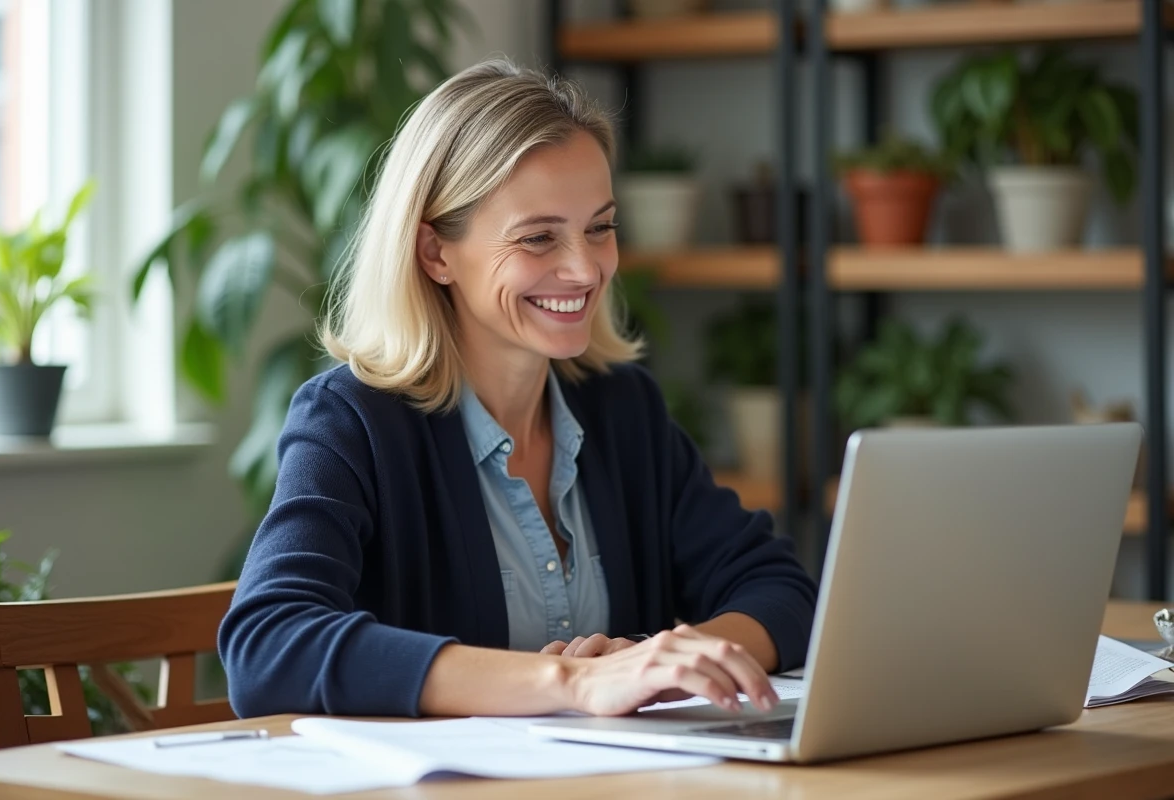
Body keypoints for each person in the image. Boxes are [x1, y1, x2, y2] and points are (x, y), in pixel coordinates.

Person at [218, 58, 817, 720]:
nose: (585, 268)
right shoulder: (351, 422)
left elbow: (783, 591)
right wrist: (573, 683)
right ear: (434, 254)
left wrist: (669, 665)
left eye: (600, 227)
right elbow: (267, 646)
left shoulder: (623, 410)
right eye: (538, 238)